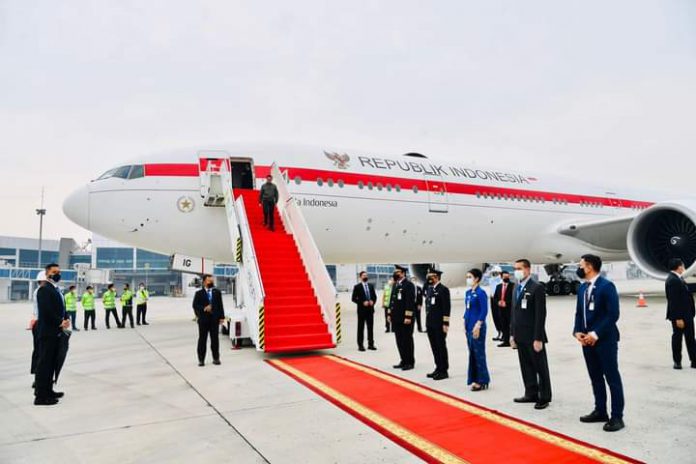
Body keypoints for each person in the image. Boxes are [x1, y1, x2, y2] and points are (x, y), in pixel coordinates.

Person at [573, 254, 625, 432]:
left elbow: (613, 315)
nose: (579, 268)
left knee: (612, 378)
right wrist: (577, 331)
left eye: (581, 265)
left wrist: (595, 334)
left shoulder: (606, 286)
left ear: (589, 267)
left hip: (605, 340)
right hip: (587, 341)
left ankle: (617, 416)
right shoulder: (582, 289)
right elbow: (579, 314)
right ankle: (600, 410)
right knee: (595, 377)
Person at [510, 259, 551, 410]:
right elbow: (513, 314)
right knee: (526, 366)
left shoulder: (537, 287)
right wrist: (512, 334)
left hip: (533, 336)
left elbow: (541, 316)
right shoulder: (516, 288)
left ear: (528, 270)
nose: (516, 271)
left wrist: (538, 338)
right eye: (515, 268)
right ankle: (531, 392)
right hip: (520, 335)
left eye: (519, 268)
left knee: (540, 367)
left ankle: (544, 396)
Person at [34, 263, 70, 405]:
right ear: (47, 273)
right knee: (44, 364)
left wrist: (66, 319)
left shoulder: (55, 289)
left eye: (58, 271)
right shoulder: (44, 290)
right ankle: (40, 396)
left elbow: (61, 307)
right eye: (54, 272)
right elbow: (46, 311)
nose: (57, 274)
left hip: (56, 331)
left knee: (51, 363)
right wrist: (59, 322)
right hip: (48, 332)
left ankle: (48, 390)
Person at [665, 258, 696, 369]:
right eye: (683, 266)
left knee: (691, 338)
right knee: (678, 339)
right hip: (680, 316)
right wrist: (678, 318)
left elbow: (686, 292)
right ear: (679, 267)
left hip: (686, 314)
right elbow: (673, 301)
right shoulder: (673, 280)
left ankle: (694, 360)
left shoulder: (677, 278)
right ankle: (677, 362)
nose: (684, 268)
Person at [464, 269, 490, 391]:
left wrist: (478, 325)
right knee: (472, 354)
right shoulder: (468, 293)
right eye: (467, 277)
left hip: (477, 327)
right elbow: (467, 309)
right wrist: (464, 322)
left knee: (479, 353)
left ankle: (483, 380)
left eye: (470, 277)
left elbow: (484, 311)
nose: (468, 279)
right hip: (469, 326)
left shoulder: (481, 293)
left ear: (477, 279)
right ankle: (474, 379)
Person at [192, 274, 225, 366]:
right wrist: (204, 308)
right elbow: (195, 305)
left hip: (214, 320)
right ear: (204, 282)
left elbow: (220, 306)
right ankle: (201, 360)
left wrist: (222, 317)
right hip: (203, 320)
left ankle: (216, 358)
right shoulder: (198, 294)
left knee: (215, 340)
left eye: (212, 280)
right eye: (209, 281)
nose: (211, 282)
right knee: (202, 340)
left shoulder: (217, 292)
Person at [425, 269, 450, 380]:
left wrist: (445, 323)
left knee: (440, 347)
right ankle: (438, 367)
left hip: (439, 324)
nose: (430, 279)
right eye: (429, 276)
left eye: (432, 277)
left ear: (437, 277)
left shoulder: (443, 290)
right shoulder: (430, 289)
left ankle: (443, 370)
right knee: (434, 347)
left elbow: (446, 307)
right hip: (430, 323)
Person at [389, 265, 416, 370]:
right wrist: (389, 314)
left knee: (407, 340)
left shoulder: (408, 285)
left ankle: (410, 362)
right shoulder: (395, 285)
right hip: (396, 318)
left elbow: (410, 302)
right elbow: (392, 301)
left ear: (403, 273)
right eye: (395, 272)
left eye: (398, 272)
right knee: (399, 340)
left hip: (405, 318)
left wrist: (408, 316)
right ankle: (403, 360)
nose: (396, 274)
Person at [351, 271, 378, 351]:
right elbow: (353, 298)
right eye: (363, 275)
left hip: (370, 310)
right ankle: (360, 345)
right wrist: (362, 302)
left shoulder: (371, 286)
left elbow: (374, 296)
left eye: (366, 275)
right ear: (360, 277)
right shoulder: (357, 287)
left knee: (370, 328)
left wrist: (373, 301)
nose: (365, 276)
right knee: (361, 328)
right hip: (361, 311)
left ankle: (371, 344)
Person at [30, 272, 48, 385]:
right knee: (41, 352)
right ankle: (38, 378)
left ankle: (39, 378)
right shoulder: (40, 292)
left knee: (40, 351)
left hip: (40, 323)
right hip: (40, 323)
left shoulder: (42, 291)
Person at [493, 271, 514, 347]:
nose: (506, 278)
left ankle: (514, 341)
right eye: (505, 277)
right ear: (501, 277)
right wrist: (498, 302)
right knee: (504, 326)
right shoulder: (498, 286)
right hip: (501, 310)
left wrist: (507, 303)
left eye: (507, 276)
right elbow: (495, 297)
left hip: (510, 309)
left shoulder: (513, 286)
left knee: (511, 326)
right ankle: (506, 341)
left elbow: (514, 298)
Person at [488, 267, 503, 341]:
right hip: (492, 299)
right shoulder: (491, 280)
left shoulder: (501, 282)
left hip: (499, 299)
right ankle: (499, 332)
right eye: (493, 273)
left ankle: (503, 333)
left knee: (500, 317)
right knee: (495, 317)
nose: (494, 275)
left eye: (495, 273)